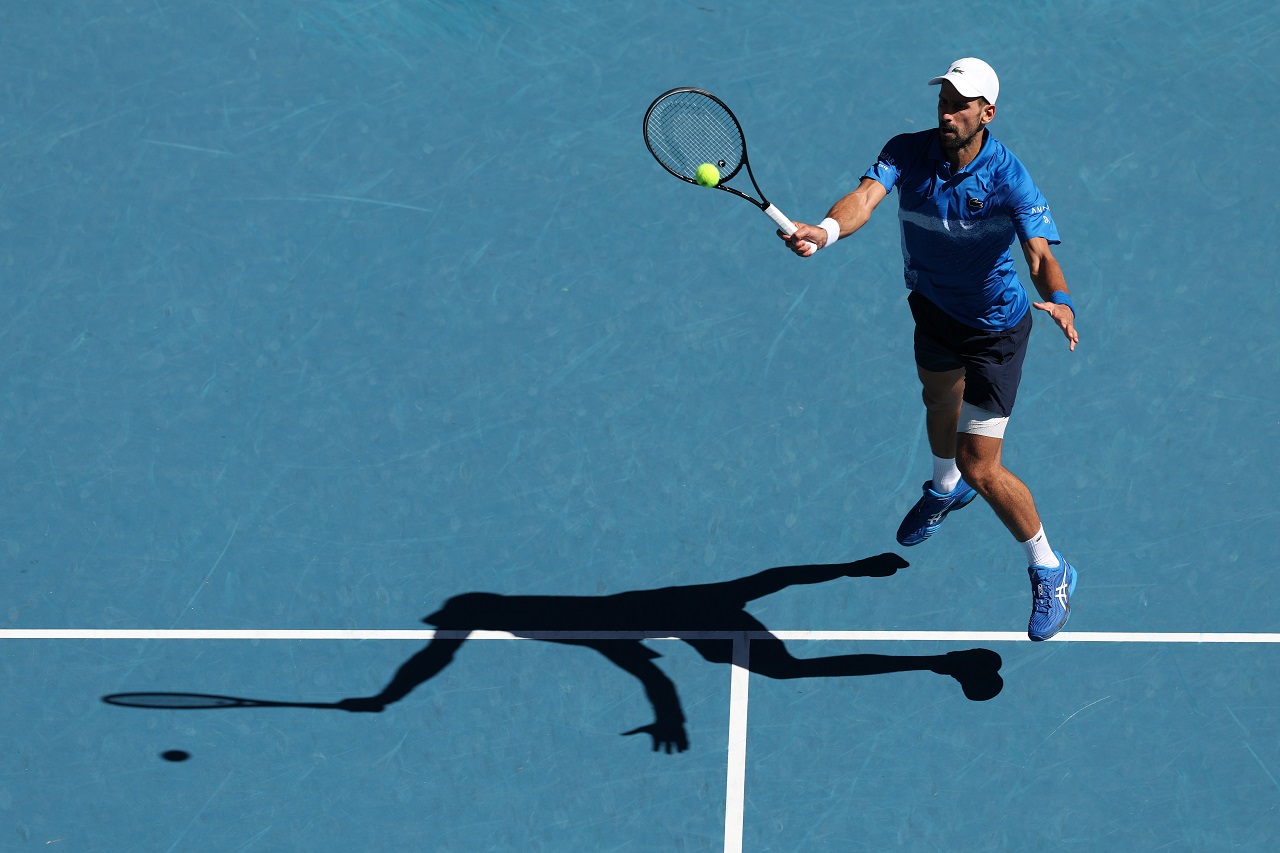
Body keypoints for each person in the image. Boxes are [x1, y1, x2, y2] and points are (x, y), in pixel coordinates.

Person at [780, 57, 1078, 641]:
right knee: (939, 401)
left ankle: (1049, 565)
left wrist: (1061, 298)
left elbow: (1039, 256)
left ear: (986, 113)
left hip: (995, 330)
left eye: (960, 102)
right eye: (943, 97)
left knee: (982, 464)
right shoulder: (908, 150)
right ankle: (945, 489)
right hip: (934, 310)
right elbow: (864, 198)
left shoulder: (1008, 177)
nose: (946, 109)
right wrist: (825, 229)